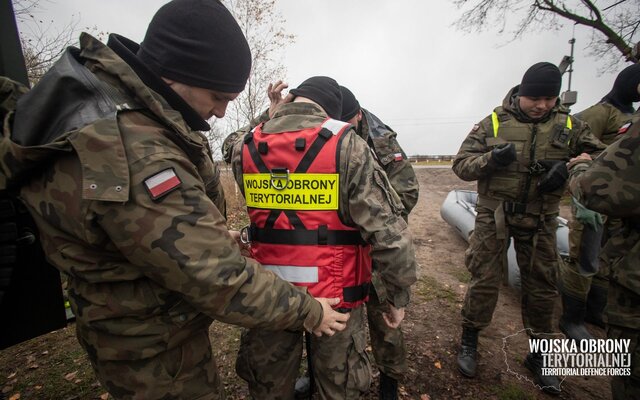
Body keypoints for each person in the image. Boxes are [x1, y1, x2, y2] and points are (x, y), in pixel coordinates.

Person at [0, 1, 350, 399]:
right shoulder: (135, 154)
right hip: (150, 348)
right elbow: (218, 278)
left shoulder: (135, 112)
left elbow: (166, 234)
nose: (220, 112)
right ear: (179, 73)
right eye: (218, 96)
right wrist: (310, 310)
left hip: (142, 320)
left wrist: (215, 235)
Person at [226, 76, 417, 399]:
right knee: (338, 386)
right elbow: (389, 236)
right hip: (337, 295)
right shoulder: (348, 145)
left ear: (293, 99)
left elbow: (230, 147)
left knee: (268, 385)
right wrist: (397, 297)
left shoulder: (245, 145)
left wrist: (269, 114)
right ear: (332, 112)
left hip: (270, 295)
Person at [452, 62, 605, 395]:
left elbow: (602, 158)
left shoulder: (570, 126)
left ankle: (540, 357)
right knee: (484, 279)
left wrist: (566, 168)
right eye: (535, 98)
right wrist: (491, 161)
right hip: (494, 216)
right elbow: (461, 164)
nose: (542, 105)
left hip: (541, 219)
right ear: (521, 93)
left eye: (549, 98)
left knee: (543, 288)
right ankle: (470, 340)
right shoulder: (492, 123)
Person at [340, 85, 419, 400]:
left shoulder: (383, 142)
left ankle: (390, 381)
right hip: (339, 248)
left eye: (345, 124)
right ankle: (331, 376)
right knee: (336, 321)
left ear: (357, 117)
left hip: (375, 244)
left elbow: (408, 193)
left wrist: (372, 217)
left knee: (385, 318)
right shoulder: (324, 137)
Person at [559, 63, 640, 341]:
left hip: (622, 207)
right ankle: (572, 317)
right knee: (584, 257)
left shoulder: (631, 115)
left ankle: (598, 310)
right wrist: (581, 198)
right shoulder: (600, 113)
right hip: (593, 201)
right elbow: (575, 150)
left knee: (607, 259)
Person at [568, 108, 640, 400]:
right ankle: (575, 318)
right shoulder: (603, 115)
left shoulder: (574, 125)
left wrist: (578, 167)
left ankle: (576, 323)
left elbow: (594, 183)